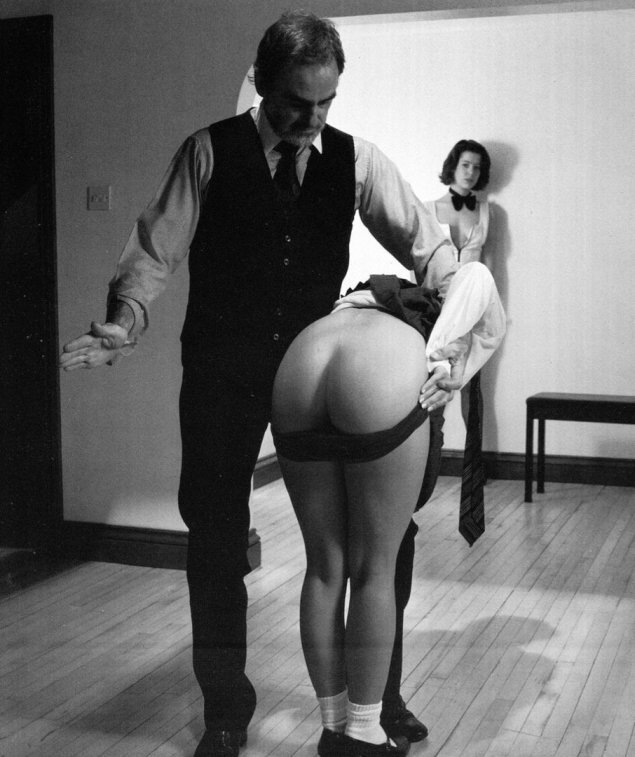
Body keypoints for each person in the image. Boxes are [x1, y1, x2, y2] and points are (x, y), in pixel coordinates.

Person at [59, 11, 454, 757]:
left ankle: (380, 699)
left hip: (314, 377)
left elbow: (427, 247)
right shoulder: (208, 151)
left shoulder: (357, 160)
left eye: (326, 102)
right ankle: (224, 711)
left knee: (383, 534)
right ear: (262, 83)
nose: (312, 119)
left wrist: (455, 304)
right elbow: (154, 249)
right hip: (223, 371)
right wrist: (123, 322)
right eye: (297, 103)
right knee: (214, 539)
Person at [271, 262, 505, 757]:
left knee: (323, 568)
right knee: (373, 569)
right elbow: (480, 280)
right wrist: (448, 364)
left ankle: (333, 728)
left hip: (304, 354)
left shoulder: (365, 299)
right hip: (381, 368)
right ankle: (362, 733)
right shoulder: (444, 305)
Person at [420, 139, 493, 426]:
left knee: (470, 386)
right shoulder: (428, 209)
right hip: (437, 305)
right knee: (433, 381)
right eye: (466, 165)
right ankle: (429, 453)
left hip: (472, 307)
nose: (471, 172)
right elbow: (420, 262)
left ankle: (474, 457)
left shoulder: (486, 211)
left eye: (477, 167)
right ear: (453, 165)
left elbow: (488, 266)